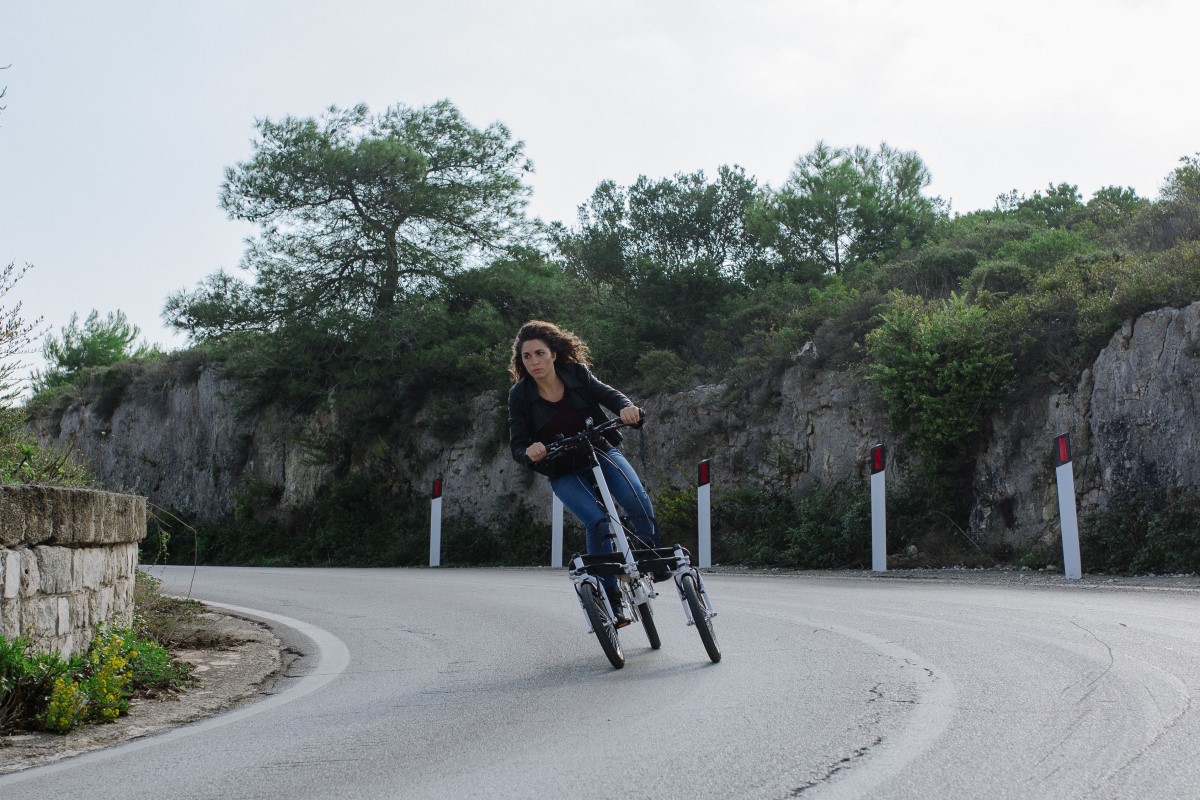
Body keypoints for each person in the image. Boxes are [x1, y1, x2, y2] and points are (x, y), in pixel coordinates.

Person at [507, 320, 659, 624]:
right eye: (527, 356)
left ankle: (647, 559)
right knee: (598, 520)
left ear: (553, 354)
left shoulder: (576, 374)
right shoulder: (520, 395)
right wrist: (529, 451)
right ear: (521, 361)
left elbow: (610, 395)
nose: (534, 361)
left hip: (600, 450)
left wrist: (626, 409)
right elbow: (518, 443)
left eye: (539, 353)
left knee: (636, 499)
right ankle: (612, 598)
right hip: (562, 468)